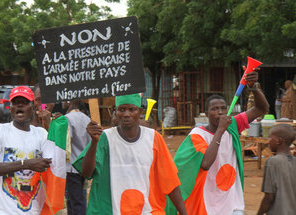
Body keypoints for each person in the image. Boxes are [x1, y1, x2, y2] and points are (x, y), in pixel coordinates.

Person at [168, 71, 269, 215]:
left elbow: (261, 109)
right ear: (205, 112)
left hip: (232, 202)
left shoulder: (232, 124)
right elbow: (205, 164)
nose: (220, 112)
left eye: (223, 108)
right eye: (214, 109)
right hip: (207, 203)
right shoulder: (198, 135)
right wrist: (220, 130)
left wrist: (253, 88)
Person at [73, 94, 187, 215]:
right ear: (115, 111)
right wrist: (94, 142)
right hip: (110, 210)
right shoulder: (104, 138)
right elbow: (86, 173)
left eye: (132, 109)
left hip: (147, 211)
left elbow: (170, 180)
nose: (127, 114)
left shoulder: (154, 138)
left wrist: (183, 212)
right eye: (122, 109)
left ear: (140, 112)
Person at [0, 86, 54, 214]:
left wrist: (50, 125)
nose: (20, 106)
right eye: (15, 102)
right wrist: (25, 164)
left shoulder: (41, 134)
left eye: (24, 103)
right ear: (10, 107)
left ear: (33, 106)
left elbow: (56, 167)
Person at [257, 124, 296, 215]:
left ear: (279, 141)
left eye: (270, 138)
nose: (268, 142)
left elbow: (269, 197)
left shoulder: (272, 162)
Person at [62, 99, 91, 215]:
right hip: (83, 165)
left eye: (64, 101)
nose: (62, 103)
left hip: (71, 166)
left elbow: (68, 142)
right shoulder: (87, 119)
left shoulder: (68, 119)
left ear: (70, 102)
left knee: (74, 202)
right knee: (77, 199)